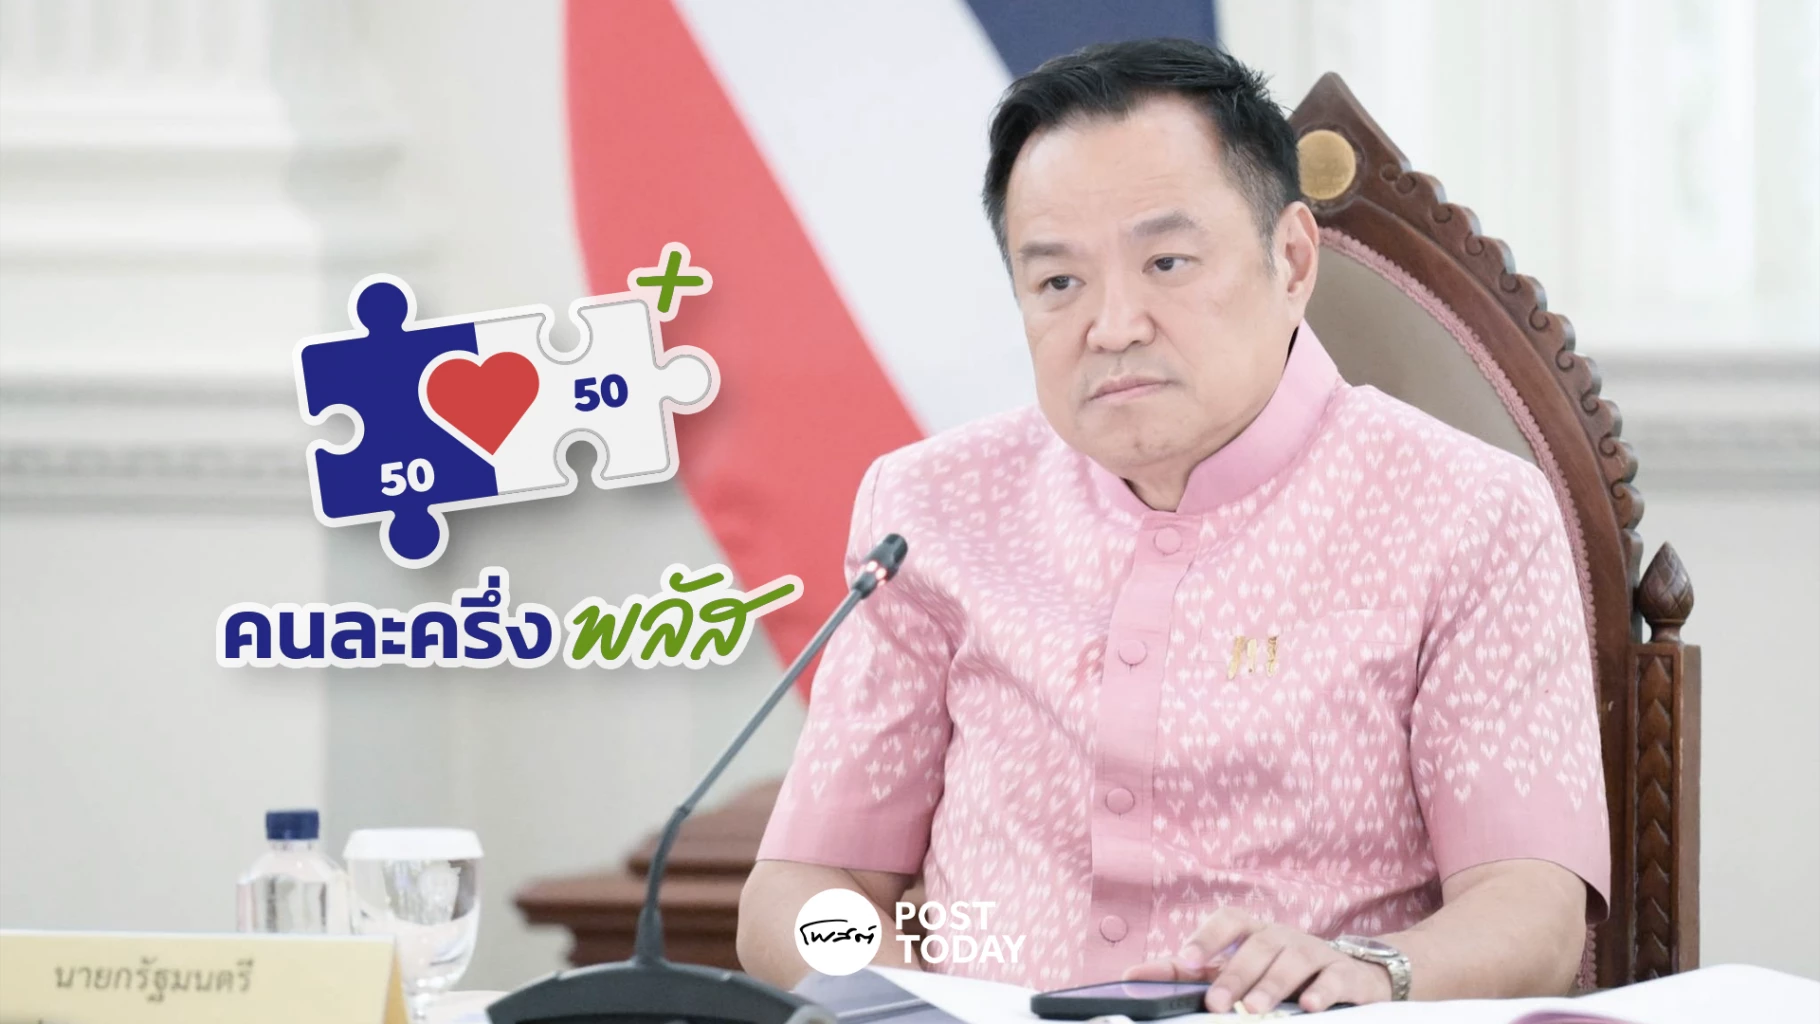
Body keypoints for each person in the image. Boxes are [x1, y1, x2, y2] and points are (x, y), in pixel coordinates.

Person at [738, 38, 1608, 1015]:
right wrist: (902, 1003)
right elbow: (803, 887)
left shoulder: (1468, 512)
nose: (1112, 325)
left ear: (1291, 259)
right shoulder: (929, 508)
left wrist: (1377, 971)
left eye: (1165, 262)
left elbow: (1531, 912)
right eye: (1057, 283)